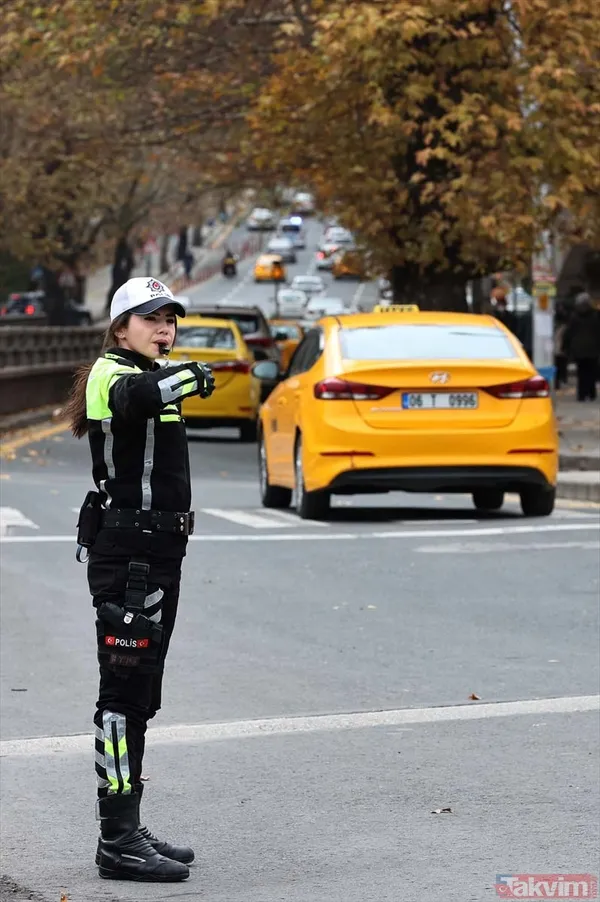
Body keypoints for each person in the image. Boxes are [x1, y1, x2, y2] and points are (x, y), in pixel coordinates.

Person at [64, 277, 215, 883]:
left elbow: (153, 394)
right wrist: (192, 374)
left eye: (171, 318)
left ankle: (128, 825)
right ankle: (116, 841)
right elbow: (134, 400)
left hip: (157, 551)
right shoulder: (112, 374)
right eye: (151, 318)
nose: (165, 328)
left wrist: (179, 374)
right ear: (120, 327)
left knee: (141, 696)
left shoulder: (150, 375)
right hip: (129, 555)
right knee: (122, 700)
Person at [563, 292, 600, 401]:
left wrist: (566, 347)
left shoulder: (574, 316)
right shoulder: (596, 315)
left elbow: (569, 333)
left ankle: (581, 394)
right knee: (591, 372)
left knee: (581, 372)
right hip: (593, 348)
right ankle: (591, 393)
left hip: (579, 349)